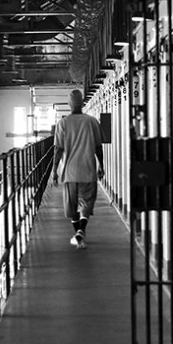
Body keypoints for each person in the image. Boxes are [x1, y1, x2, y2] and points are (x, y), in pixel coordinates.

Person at [52, 90, 104, 249]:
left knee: (72, 206)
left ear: (69, 105)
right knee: (87, 203)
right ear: (82, 103)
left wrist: (54, 170)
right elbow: (98, 147)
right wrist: (101, 165)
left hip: (69, 172)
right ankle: (81, 231)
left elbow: (58, 149)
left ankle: (79, 234)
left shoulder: (63, 123)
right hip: (88, 170)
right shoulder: (92, 121)